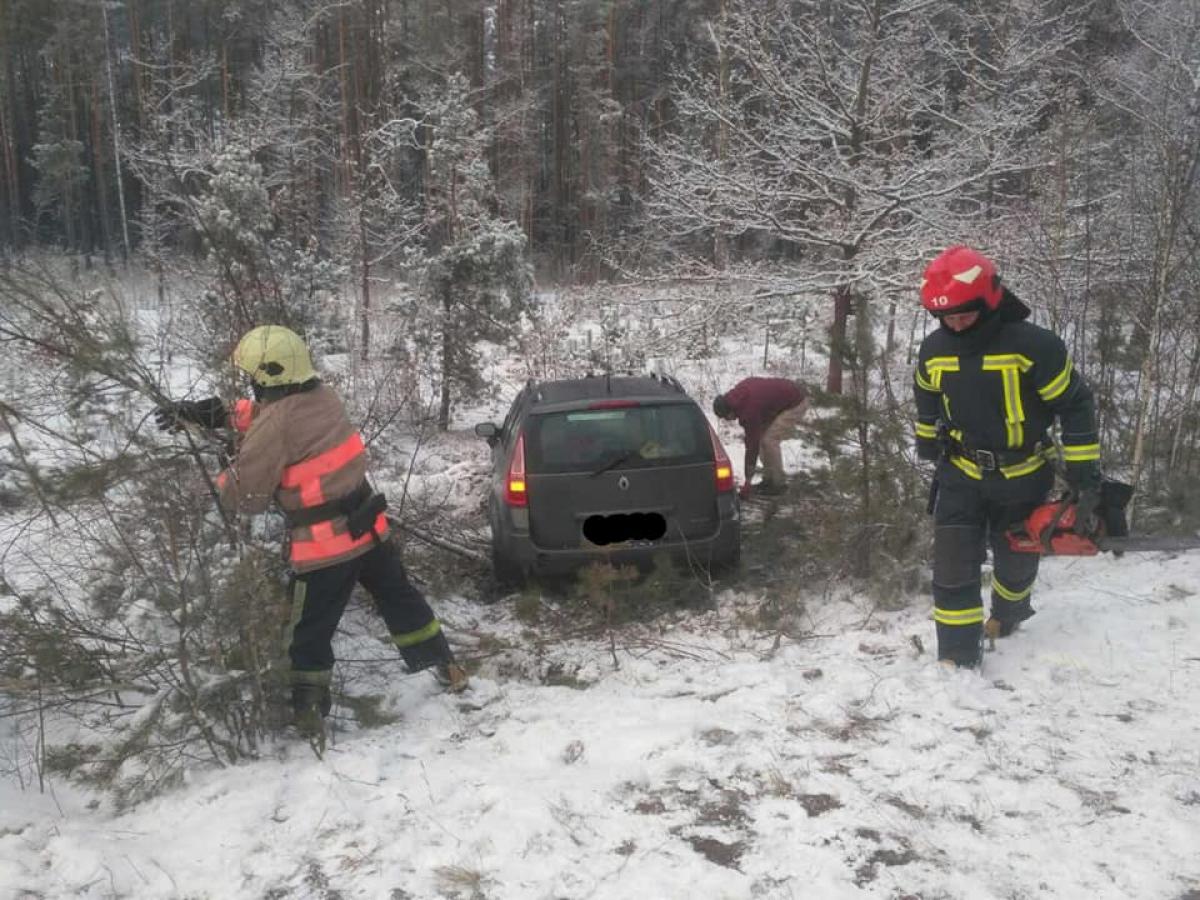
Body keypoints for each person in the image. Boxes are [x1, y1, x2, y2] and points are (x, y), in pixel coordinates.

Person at [157, 325, 467, 741]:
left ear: (267, 375)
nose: (250, 382)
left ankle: (308, 717)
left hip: (328, 548)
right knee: (399, 597)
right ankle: (446, 665)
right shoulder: (323, 396)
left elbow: (244, 496)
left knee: (307, 633)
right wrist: (218, 413)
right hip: (369, 526)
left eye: (253, 375)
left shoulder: (276, 424)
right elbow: (274, 415)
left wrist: (226, 462)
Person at [913, 246, 1101, 669]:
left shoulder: (1034, 347)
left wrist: (1084, 471)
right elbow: (926, 397)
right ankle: (957, 657)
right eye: (946, 316)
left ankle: (1009, 613)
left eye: (964, 314)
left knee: (1015, 562)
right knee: (953, 565)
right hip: (959, 474)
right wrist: (926, 441)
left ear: (990, 299)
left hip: (1023, 476)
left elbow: (1075, 405)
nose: (955, 324)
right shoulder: (934, 350)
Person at [712, 376, 808, 498]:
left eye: (727, 417)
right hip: (779, 401)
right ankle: (768, 479)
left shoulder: (749, 410)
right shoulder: (738, 394)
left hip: (796, 402)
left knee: (769, 440)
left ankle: (778, 484)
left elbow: (752, 446)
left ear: (729, 411)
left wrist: (748, 480)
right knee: (763, 438)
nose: (731, 420)